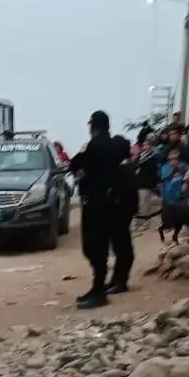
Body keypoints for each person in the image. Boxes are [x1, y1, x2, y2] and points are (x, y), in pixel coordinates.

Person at [69, 111, 121, 309]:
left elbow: (77, 163)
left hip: (96, 203)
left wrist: (81, 170)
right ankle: (97, 287)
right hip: (107, 202)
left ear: (95, 125)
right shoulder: (112, 144)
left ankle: (99, 292)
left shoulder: (95, 144)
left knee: (94, 246)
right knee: (99, 246)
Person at [107, 135, 138, 294]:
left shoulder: (125, 169)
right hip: (119, 213)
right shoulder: (123, 167)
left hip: (121, 213)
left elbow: (126, 195)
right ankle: (116, 280)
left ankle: (121, 282)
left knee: (123, 248)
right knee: (119, 248)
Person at [158, 146, 188, 240]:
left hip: (181, 193)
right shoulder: (165, 166)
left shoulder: (184, 164)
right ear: (168, 156)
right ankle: (169, 229)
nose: (174, 156)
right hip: (169, 193)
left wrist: (179, 169)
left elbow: (187, 176)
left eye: (176, 153)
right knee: (170, 212)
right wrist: (173, 170)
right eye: (172, 154)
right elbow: (164, 178)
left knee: (181, 212)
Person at [134, 137, 161, 232]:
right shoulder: (139, 157)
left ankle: (144, 224)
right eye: (144, 145)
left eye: (147, 145)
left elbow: (154, 171)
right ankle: (139, 223)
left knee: (143, 205)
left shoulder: (153, 158)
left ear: (151, 146)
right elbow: (134, 166)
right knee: (138, 204)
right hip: (137, 183)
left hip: (146, 183)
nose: (145, 146)